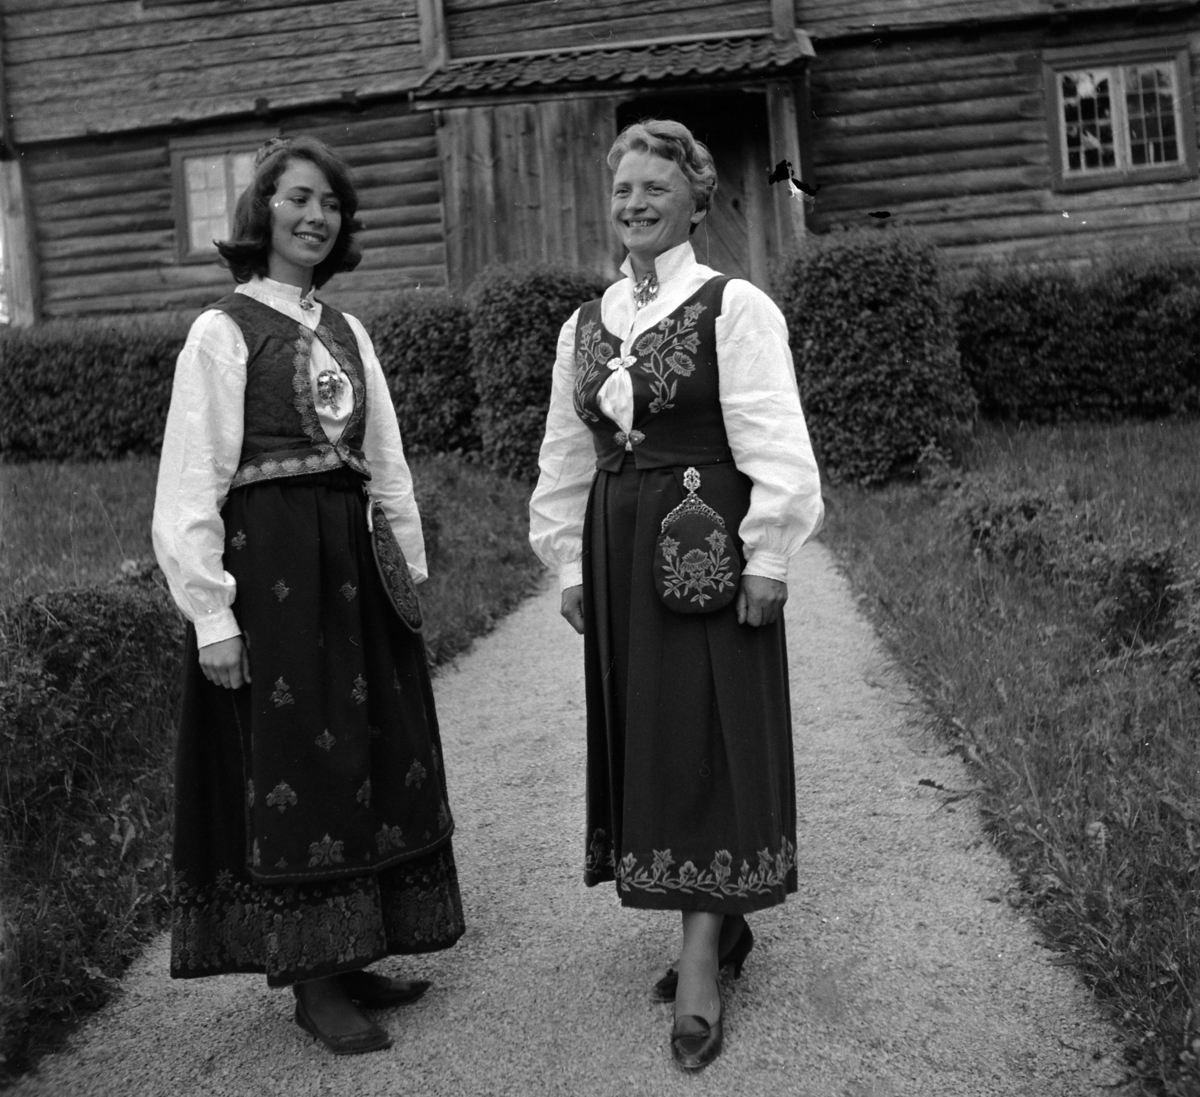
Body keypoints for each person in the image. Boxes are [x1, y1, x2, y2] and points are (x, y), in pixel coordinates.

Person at [152, 135, 464, 1056]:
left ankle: (357, 947)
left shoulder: (348, 329)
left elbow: (389, 464)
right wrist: (212, 613)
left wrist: (406, 572)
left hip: (356, 573)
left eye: (330, 202)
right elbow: (187, 484)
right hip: (275, 574)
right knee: (302, 759)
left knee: (370, 750)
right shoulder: (223, 331)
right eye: (298, 198)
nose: (315, 216)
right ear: (263, 211)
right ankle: (313, 979)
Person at [529, 119, 824, 1070]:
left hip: (708, 549)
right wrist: (569, 565)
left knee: (712, 733)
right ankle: (717, 924)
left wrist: (770, 555)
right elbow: (565, 458)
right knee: (658, 732)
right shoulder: (586, 324)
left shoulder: (732, 307)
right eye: (623, 190)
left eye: (657, 187)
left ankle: (703, 956)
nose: (636, 204)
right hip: (620, 558)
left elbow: (774, 437)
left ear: (698, 199)